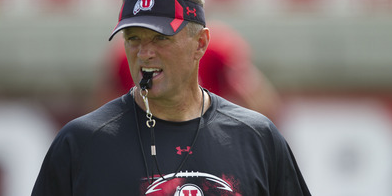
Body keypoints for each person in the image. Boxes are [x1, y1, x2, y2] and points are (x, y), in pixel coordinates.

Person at [6, 0, 333, 196]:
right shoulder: (81, 144)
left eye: (161, 38)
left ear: (200, 43)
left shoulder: (258, 140)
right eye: (133, 38)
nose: (144, 52)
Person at [95, 21, 281, 120]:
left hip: (199, 135)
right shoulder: (123, 55)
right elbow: (256, 97)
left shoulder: (219, 47)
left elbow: (255, 98)